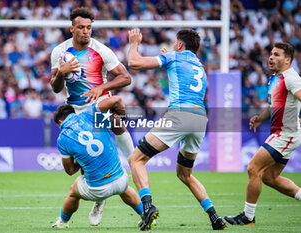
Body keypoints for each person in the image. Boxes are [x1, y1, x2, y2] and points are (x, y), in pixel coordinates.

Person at [127, 28, 226, 231]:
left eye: (174, 43)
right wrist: (168, 58)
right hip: (199, 120)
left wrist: (134, 43)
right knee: (185, 174)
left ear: (180, 45)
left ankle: (147, 207)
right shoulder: (199, 65)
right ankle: (215, 216)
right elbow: (180, 75)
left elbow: (134, 62)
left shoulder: (174, 57)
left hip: (180, 116)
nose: (172, 46)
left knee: (136, 159)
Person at [50, 7, 134, 225]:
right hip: (75, 111)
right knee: (87, 156)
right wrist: (61, 71)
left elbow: (125, 78)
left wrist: (101, 88)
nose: (86, 31)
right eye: (81, 27)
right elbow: (56, 88)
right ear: (71, 28)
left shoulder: (101, 50)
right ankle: (100, 201)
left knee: (117, 126)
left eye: (89, 27)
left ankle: (135, 163)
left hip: (98, 106)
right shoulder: (59, 52)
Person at [225, 42, 301, 225]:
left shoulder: (291, 78)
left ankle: (248, 216)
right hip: (280, 134)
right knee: (269, 177)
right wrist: (260, 118)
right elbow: (273, 105)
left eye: (276, 55)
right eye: (271, 54)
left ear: (287, 60)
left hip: (286, 135)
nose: (271, 57)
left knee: (253, 168)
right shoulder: (275, 78)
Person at [51, 96, 144, 229]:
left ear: (60, 121)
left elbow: (70, 171)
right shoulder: (91, 114)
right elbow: (116, 99)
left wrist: (80, 160)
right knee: (122, 187)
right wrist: (121, 119)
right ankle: (146, 214)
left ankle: (63, 222)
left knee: (73, 191)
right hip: (121, 179)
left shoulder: (62, 139)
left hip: (97, 190)